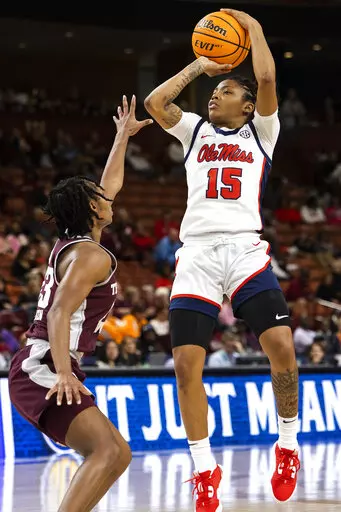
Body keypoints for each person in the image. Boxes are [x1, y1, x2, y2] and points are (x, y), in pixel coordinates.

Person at [144, 8, 300, 509]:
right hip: (197, 256)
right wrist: (199, 66)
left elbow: (268, 74)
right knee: (187, 367)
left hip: (244, 248)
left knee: (281, 347)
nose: (216, 95)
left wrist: (251, 28)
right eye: (217, 90)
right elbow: (154, 101)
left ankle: (289, 444)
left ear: (250, 107)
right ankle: (204, 466)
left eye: (228, 90)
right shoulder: (192, 131)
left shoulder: (262, 134)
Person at [8, 95, 152, 512]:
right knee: (107, 452)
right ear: (92, 207)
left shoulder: (78, 244)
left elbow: (109, 185)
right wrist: (66, 373)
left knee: (116, 454)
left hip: (44, 361)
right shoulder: (91, 255)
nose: (110, 199)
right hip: (45, 365)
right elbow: (58, 312)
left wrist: (121, 136)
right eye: (100, 198)